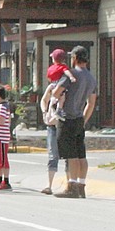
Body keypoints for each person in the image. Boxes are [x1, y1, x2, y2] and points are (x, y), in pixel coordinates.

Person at [54, 45, 99, 199]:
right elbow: (91, 103)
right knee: (81, 154)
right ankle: (81, 185)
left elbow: (56, 92)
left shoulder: (71, 74)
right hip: (79, 118)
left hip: (67, 117)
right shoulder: (91, 78)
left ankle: (71, 186)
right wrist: (84, 119)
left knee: (71, 154)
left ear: (74, 58)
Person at [39, 49, 72, 195]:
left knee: (66, 156)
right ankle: (49, 185)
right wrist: (45, 113)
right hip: (51, 125)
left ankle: (68, 185)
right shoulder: (52, 86)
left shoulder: (66, 86)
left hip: (63, 124)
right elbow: (44, 100)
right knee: (53, 155)